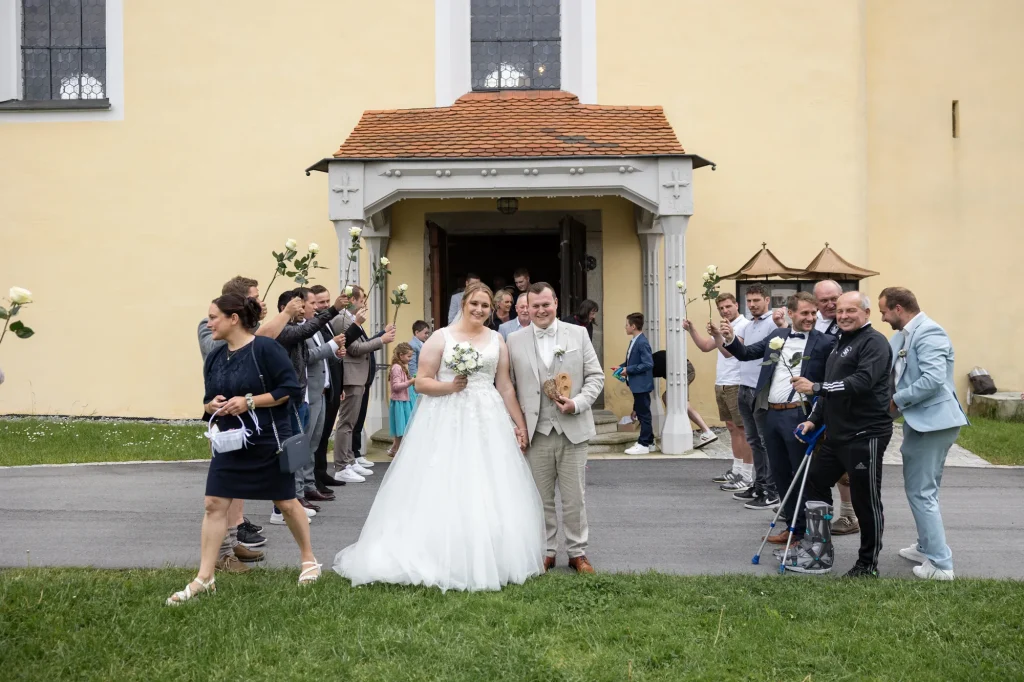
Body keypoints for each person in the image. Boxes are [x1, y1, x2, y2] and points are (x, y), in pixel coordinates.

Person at [334, 281, 546, 591]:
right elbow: (421, 382)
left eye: (485, 306)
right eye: (475, 303)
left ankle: (490, 554)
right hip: (446, 418)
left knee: (488, 482)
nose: (480, 310)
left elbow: (504, 385)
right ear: (464, 304)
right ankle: (438, 553)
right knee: (444, 480)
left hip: (487, 418)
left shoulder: (497, 340)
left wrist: (520, 423)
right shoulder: (440, 337)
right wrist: (451, 387)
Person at [167, 293, 320, 605]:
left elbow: (289, 389)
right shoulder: (214, 356)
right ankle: (205, 577)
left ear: (233, 318)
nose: (208, 323)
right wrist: (212, 405)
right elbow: (209, 399)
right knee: (213, 503)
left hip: (268, 440)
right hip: (230, 442)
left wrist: (250, 401)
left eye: (213, 317)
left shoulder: (266, 349)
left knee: (287, 502)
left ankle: (309, 560)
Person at [717, 292, 837, 545]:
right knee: (780, 473)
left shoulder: (825, 343)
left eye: (813, 313)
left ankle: (805, 531)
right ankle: (792, 527)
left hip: (799, 414)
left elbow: (828, 382)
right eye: (805, 313)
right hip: (771, 412)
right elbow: (748, 353)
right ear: (790, 313)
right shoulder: (777, 336)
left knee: (799, 474)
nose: (811, 318)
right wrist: (729, 339)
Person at [791, 292, 894, 577]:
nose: (844, 315)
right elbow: (830, 388)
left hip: (866, 434)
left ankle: (867, 564)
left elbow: (860, 382)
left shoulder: (874, 342)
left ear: (867, 313)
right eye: (840, 311)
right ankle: (819, 548)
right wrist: (813, 420)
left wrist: (816, 388)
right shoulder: (840, 343)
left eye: (851, 310)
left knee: (865, 499)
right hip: (837, 435)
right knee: (815, 481)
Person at [508, 282, 605, 573]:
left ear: (556, 304)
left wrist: (577, 403)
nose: (540, 310)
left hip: (573, 428)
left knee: (575, 496)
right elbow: (509, 386)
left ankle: (577, 552)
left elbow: (596, 377)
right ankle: (546, 550)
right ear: (527, 308)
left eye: (545, 304)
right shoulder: (513, 340)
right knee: (540, 498)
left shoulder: (577, 334)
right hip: (536, 430)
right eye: (534, 306)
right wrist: (517, 425)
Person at [879, 287, 967, 581]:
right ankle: (925, 546)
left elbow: (932, 380)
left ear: (899, 308)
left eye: (884, 311)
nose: (882, 317)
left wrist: (897, 401)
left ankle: (941, 564)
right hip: (922, 422)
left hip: (935, 423)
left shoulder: (930, 333)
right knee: (923, 490)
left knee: (921, 492)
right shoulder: (902, 335)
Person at [196, 275, 283, 570]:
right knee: (219, 497)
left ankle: (232, 543)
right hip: (226, 426)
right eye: (254, 298)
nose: (259, 302)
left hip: (245, 425)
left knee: (234, 492)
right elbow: (250, 345)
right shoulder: (211, 329)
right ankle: (222, 556)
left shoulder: (242, 332)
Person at [268, 288, 347, 524]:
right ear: (285, 309)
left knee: (300, 449)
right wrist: (333, 309)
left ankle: (294, 498)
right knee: (291, 451)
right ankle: (285, 505)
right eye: (301, 306)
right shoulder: (284, 330)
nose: (305, 310)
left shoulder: (296, 330)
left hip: (300, 396)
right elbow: (307, 334)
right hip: (290, 399)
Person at [682, 292, 753, 488]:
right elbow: (706, 346)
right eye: (721, 308)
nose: (725, 311)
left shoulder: (743, 326)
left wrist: (717, 335)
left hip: (736, 382)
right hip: (722, 382)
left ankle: (746, 474)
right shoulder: (725, 326)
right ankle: (736, 470)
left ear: (736, 305)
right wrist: (692, 330)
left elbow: (730, 353)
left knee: (742, 430)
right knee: (731, 428)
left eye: (728, 306)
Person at [728, 284, 787, 510]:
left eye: (756, 301)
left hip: (761, 390)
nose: (752, 305)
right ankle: (760, 484)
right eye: (749, 301)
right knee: (754, 441)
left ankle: (772, 490)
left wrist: (782, 321)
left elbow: (785, 336)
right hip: (744, 386)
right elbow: (743, 353)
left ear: (767, 301)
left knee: (765, 441)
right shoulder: (750, 324)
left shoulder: (774, 321)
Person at [335, 285, 396, 483]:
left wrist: (380, 334)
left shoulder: (352, 320)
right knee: (346, 423)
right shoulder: (343, 319)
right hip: (351, 375)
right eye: (362, 300)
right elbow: (354, 349)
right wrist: (382, 340)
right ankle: (342, 464)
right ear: (352, 300)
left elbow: (362, 342)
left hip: (359, 375)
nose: (365, 305)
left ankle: (350, 459)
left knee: (352, 423)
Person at [813, 279, 859, 536]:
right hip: (817, 400)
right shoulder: (816, 322)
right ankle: (813, 515)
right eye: (825, 301)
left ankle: (849, 514)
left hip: (840, 400)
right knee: (819, 463)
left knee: (842, 464)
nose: (831, 305)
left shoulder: (849, 326)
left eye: (835, 299)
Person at [301, 290, 346, 503]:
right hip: (309, 393)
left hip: (321, 390)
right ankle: (301, 488)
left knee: (315, 441)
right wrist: (331, 346)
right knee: (306, 442)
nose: (316, 307)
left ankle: (309, 484)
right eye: (313, 303)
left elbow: (323, 359)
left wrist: (335, 355)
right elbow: (307, 357)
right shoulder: (300, 329)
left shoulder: (315, 327)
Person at [614, 313, 656, 456]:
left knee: (643, 414)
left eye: (626, 324)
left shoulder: (642, 342)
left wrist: (629, 370)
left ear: (633, 326)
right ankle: (649, 442)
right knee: (642, 412)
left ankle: (643, 443)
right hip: (637, 384)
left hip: (642, 384)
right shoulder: (635, 341)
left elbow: (648, 364)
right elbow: (632, 361)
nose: (625, 327)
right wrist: (621, 368)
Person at [387, 342, 416, 456]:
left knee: (403, 429)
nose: (411, 358)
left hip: (405, 401)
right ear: (400, 355)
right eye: (409, 356)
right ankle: (398, 454)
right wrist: (410, 382)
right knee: (400, 431)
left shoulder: (402, 367)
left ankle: (394, 450)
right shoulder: (396, 368)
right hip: (400, 402)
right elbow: (395, 386)